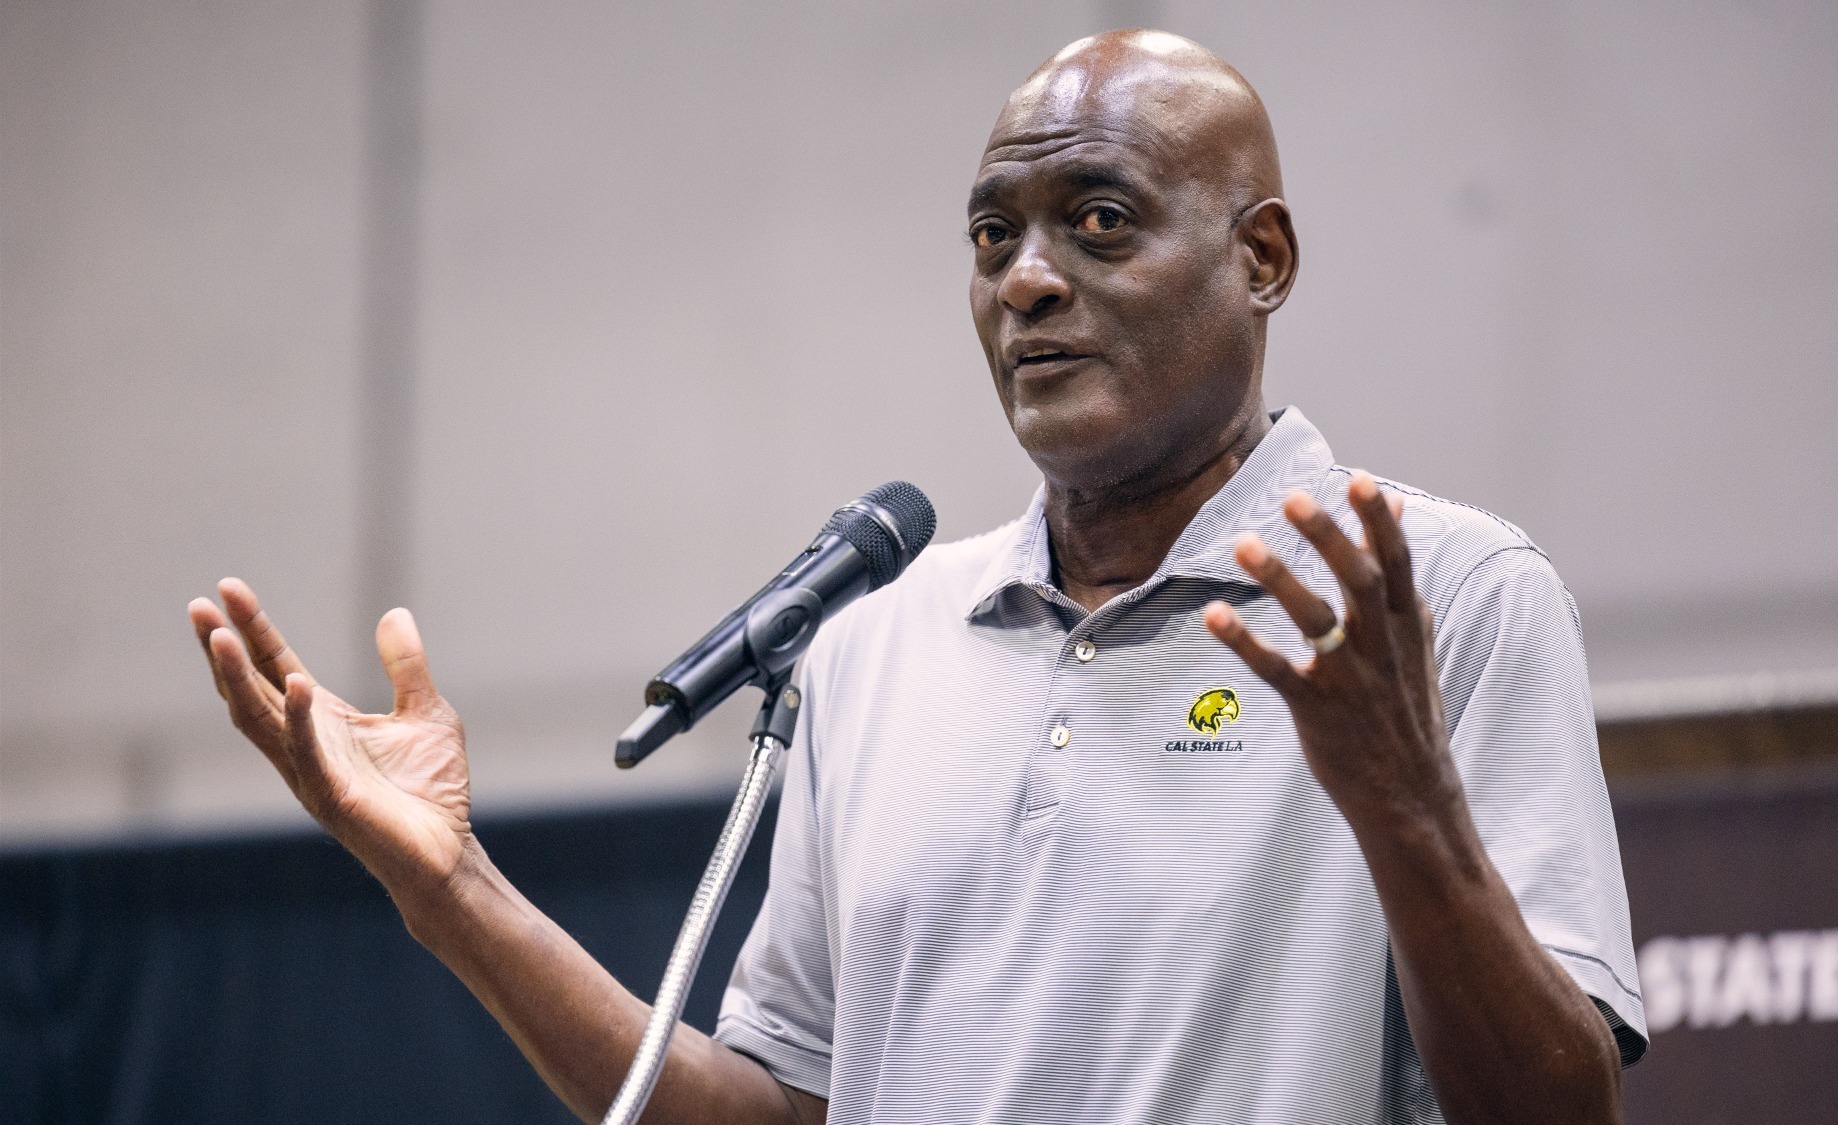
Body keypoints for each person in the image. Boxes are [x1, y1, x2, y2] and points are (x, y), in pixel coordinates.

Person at [190, 30, 1643, 1125]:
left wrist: (1407, 808)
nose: (1025, 280)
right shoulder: (874, 649)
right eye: (993, 233)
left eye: (1101, 220)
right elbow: (779, 1110)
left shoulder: (1438, 596)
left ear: (1260, 257)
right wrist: (453, 890)